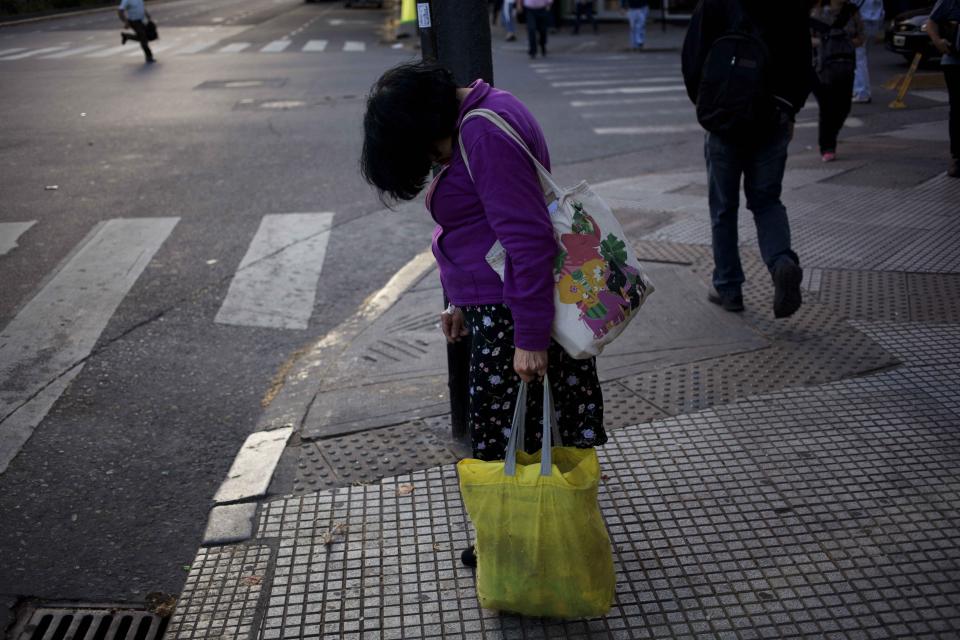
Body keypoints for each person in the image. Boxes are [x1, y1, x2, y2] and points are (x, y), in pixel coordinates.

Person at [361, 62, 607, 566]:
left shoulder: (480, 132)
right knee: (530, 433)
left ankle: (521, 546)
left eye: (426, 150)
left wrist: (531, 337)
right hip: (500, 307)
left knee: (516, 439)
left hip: (514, 314)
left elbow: (527, 239)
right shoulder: (484, 108)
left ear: (426, 124)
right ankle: (523, 535)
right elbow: (481, 225)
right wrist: (457, 299)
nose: (431, 159)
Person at [681, 0, 811, 318]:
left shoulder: (714, 5)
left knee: (723, 208)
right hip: (773, 119)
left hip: (724, 118)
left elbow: (692, 60)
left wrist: (707, 104)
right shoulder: (790, 7)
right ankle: (782, 262)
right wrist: (790, 109)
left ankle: (728, 287)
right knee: (767, 201)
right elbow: (804, 64)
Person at [811, 0, 864, 162]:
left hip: (845, 67)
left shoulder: (852, 11)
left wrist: (845, 41)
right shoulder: (817, 11)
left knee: (843, 107)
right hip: (821, 69)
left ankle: (830, 136)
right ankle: (827, 146)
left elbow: (861, 38)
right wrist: (826, 42)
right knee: (827, 109)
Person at [928, 0, 960, 177]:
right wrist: (937, 41)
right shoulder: (949, 1)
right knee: (957, 110)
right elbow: (931, 22)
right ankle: (957, 158)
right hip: (954, 62)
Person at [852, 0, 884, 103]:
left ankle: (861, 91)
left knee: (858, 58)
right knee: (862, 58)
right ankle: (862, 89)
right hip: (874, 22)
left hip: (861, 21)